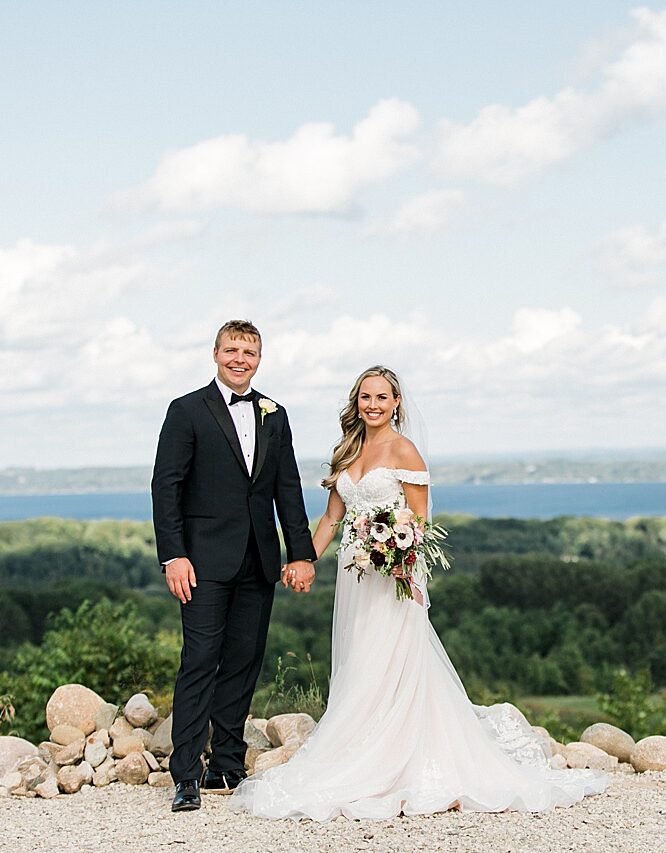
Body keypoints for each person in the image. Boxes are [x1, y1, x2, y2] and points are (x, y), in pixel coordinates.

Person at [229, 365, 609, 820]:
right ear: (356, 402)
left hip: (394, 578)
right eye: (365, 397)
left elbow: (419, 521)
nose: (373, 405)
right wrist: (304, 559)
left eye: (382, 398)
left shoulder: (404, 450)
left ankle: (401, 762)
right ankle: (363, 747)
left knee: (390, 661)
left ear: (395, 404)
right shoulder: (346, 451)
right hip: (356, 576)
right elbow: (332, 518)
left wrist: (395, 555)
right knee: (359, 660)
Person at [151, 320, 316, 813]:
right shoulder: (185, 411)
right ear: (215, 353)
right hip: (200, 562)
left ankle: (227, 761)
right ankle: (185, 775)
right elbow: (167, 487)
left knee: (244, 661)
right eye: (232, 349)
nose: (240, 358)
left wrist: (301, 553)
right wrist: (173, 554)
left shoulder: (275, 414)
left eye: (250, 351)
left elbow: (288, 488)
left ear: (259, 358)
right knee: (200, 661)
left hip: (258, 560)